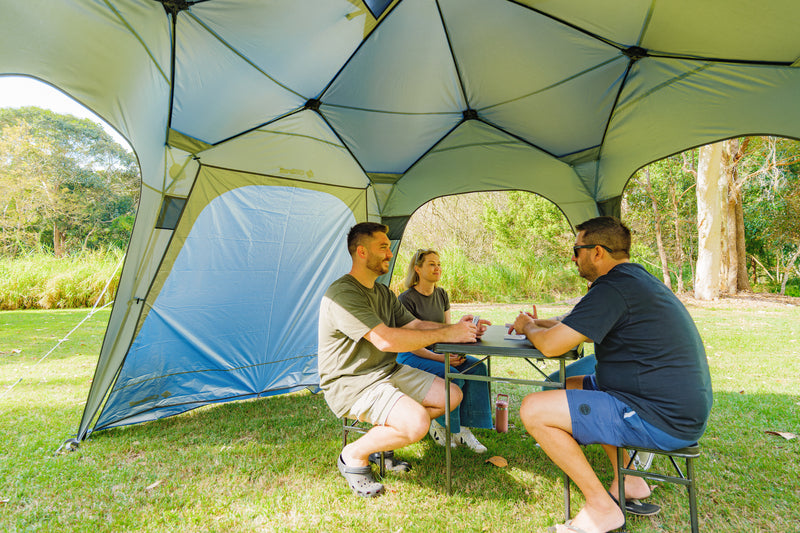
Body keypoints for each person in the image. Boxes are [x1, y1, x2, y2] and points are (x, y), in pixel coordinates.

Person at [509, 216, 712, 533]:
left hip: (660, 416)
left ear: (597, 252)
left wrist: (528, 327)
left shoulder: (613, 288)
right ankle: (629, 482)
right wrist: (539, 323)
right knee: (569, 385)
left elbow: (550, 345)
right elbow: (572, 323)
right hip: (670, 406)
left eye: (577, 250)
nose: (573, 257)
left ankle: (601, 509)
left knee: (533, 409)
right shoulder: (631, 281)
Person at [318, 222, 488, 498]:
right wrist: (450, 332)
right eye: (383, 247)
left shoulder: (383, 293)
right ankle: (354, 454)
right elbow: (386, 340)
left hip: (386, 372)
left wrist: (458, 330)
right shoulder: (344, 293)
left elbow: (416, 326)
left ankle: (380, 442)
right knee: (417, 423)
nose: (389, 252)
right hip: (352, 383)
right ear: (361, 252)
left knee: (451, 395)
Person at [397, 249, 493, 453]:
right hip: (411, 355)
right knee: (453, 376)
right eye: (431, 264)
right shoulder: (406, 299)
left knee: (478, 368)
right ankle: (440, 426)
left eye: (439, 263)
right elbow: (410, 342)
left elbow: (447, 332)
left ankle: (463, 428)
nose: (437, 268)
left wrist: (470, 334)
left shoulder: (441, 294)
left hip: (439, 352)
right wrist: (441, 359)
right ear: (417, 269)